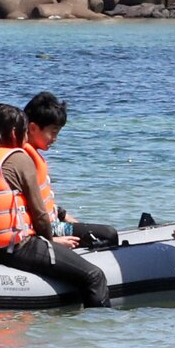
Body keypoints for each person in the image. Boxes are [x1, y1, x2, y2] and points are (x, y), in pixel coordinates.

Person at [0, 104, 110, 308]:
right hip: (16, 247)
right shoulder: (18, 158)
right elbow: (41, 216)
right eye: (24, 132)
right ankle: (100, 333)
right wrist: (52, 243)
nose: (26, 138)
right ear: (13, 132)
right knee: (94, 276)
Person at [23, 91, 119, 249]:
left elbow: (42, 202)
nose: (55, 139)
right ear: (33, 128)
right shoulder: (23, 159)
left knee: (98, 231)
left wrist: (66, 217)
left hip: (52, 224)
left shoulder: (31, 155)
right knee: (109, 234)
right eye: (53, 132)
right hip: (46, 230)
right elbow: (26, 209)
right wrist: (50, 241)